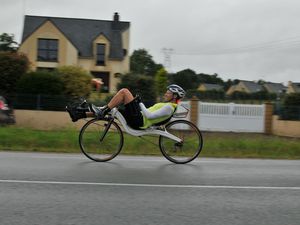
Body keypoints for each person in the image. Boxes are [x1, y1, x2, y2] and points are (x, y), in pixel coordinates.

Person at [66, 84, 185, 129]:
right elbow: (157, 119)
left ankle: (102, 111)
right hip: (139, 117)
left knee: (124, 92)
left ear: (174, 96)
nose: (165, 93)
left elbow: (149, 115)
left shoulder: (169, 107)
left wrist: (140, 103)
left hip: (139, 120)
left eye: (168, 92)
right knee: (111, 109)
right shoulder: (168, 105)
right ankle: (79, 114)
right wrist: (139, 103)